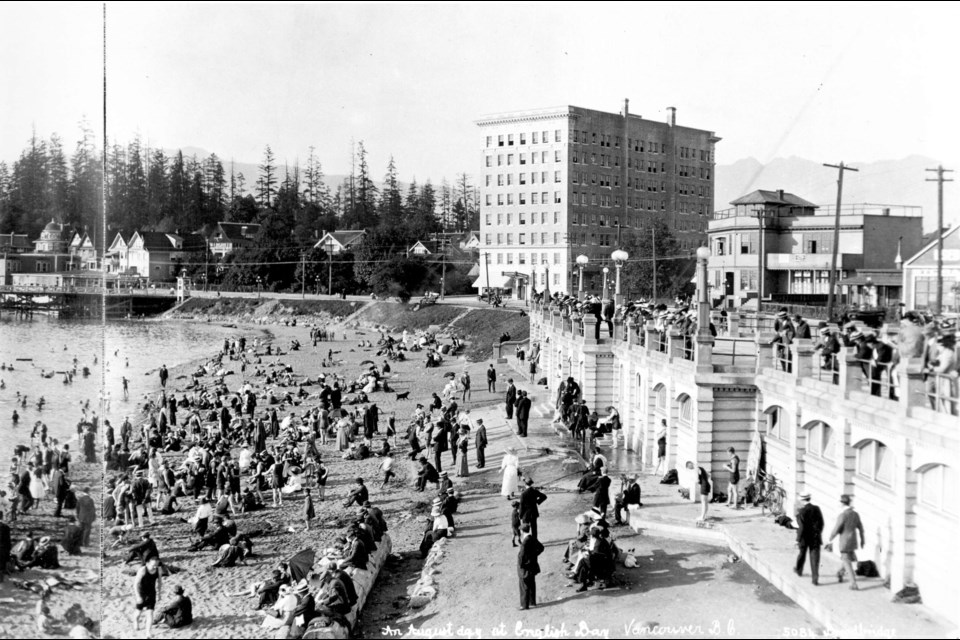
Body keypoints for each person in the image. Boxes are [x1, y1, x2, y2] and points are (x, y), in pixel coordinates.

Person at [828, 494, 865, 590]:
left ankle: (853, 583)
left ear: (842, 503)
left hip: (844, 541)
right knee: (847, 558)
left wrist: (830, 538)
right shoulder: (855, 514)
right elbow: (861, 528)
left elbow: (836, 528)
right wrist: (862, 540)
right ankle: (840, 573)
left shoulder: (843, 515)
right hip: (853, 541)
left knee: (847, 562)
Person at [794, 492, 824, 586]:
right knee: (815, 558)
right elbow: (821, 523)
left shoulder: (801, 512)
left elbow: (801, 527)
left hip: (804, 537)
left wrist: (797, 539)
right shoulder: (816, 509)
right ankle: (815, 579)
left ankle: (799, 570)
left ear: (803, 500)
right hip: (815, 537)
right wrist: (818, 532)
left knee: (802, 554)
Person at [517, 523, 544, 611]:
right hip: (533, 565)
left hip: (526, 567)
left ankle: (524, 605)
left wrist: (522, 565)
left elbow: (521, 556)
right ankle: (532, 602)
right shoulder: (532, 538)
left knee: (524, 584)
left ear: (522, 531)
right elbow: (541, 547)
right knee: (532, 583)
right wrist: (534, 556)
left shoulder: (525, 542)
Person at [134, 556, 162, 637]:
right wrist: (138, 596)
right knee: (138, 613)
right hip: (141, 593)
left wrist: (159, 594)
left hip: (151, 594)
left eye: (156, 565)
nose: (154, 567)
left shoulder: (158, 569)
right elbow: (135, 584)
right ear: (147, 563)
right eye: (153, 565)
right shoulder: (143, 570)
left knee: (150, 614)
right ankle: (136, 621)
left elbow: (160, 582)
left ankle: (148, 633)